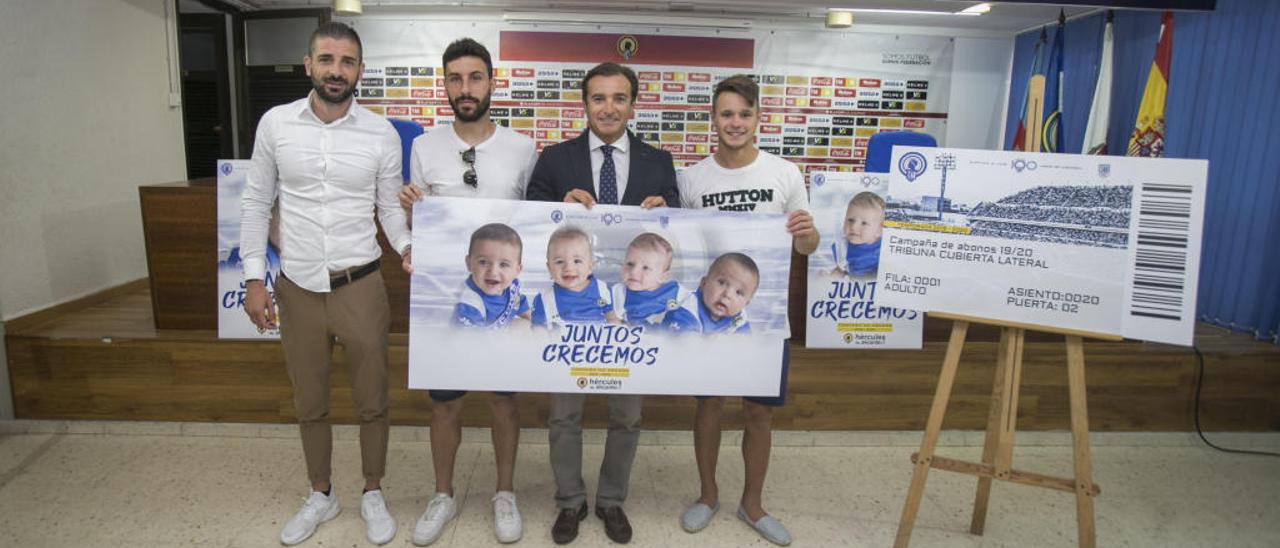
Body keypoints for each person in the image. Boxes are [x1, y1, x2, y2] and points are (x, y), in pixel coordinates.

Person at [240, 22, 408, 547]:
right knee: (309, 397)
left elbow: (388, 211)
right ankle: (321, 492)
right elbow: (255, 202)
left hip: (361, 285)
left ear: (360, 71)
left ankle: (373, 490)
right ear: (308, 65)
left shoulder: (380, 133)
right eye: (328, 60)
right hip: (297, 286)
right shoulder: (275, 124)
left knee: (372, 398)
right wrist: (253, 278)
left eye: (348, 62)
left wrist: (407, 248)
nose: (337, 70)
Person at [525, 61, 679, 545]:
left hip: (628, 313)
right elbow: (528, 216)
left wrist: (666, 213)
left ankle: (612, 501)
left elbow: (677, 225)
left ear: (633, 104)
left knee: (627, 415)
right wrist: (557, 209)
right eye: (598, 98)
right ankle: (569, 502)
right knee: (564, 415)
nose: (608, 107)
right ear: (585, 103)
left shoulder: (659, 162)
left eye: (618, 98)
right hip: (573, 309)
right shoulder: (554, 160)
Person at [396, 38, 536, 546]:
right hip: (445, 303)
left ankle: (504, 492)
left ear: (492, 82)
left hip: (502, 299)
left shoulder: (522, 148)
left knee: (503, 402)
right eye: (455, 78)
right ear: (446, 84)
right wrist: (412, 220)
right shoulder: (423, 146)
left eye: (475, 77)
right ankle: (442, 493)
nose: (465, 88)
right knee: (445, 404)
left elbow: (534, 225)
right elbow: (418, 222)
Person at [675, 74, 819, 546]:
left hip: (766, 321)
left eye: (744, 113)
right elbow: (684, 248)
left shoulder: (784, 173)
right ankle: (707, 494)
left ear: (759, 118)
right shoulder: (692, 177)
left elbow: (808, 248)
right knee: (710, 405)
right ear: (712, 118)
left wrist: (805, 231)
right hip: (710, 317)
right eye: (726, 113)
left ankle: (752, 504)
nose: (735, 122)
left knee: (759, 413)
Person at [531, 226, 618, 328]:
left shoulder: (603, 290)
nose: (568, 267)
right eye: (559, 262)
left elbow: (612, 318)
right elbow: (537, 331)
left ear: (590, 267)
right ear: (549, 268)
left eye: (577, 261)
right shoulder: (545, 300)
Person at [452, 223, 531, 330]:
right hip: (477, 341)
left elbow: (519, 303)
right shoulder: (469, 305)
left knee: (527, 326)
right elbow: (469, 343)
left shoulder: (511, 286)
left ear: (516, 271)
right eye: (483, 262)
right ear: (469, 264)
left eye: (503, 264)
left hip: (497, 333)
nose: (493, 272)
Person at [662, 253, 758, 335]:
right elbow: (681, 345)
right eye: (722, 283)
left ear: (745, 304)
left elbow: (745, 344)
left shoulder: (738, 319)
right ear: (703, 283)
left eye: (738, 292)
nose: (727, 294)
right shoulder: (688, 308)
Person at [611, 233, 685, 326]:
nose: (633, 271)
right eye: (630, 264)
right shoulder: (619, 293)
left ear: (663, 277)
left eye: (645, 268)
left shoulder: (676, 292)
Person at [832, 191, 886, 277]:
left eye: (864, 223)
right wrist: (832, 275)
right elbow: (841, 269)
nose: (853, 226)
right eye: (850, 220)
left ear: (879, 231)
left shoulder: (884, 249)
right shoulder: (842, 248)